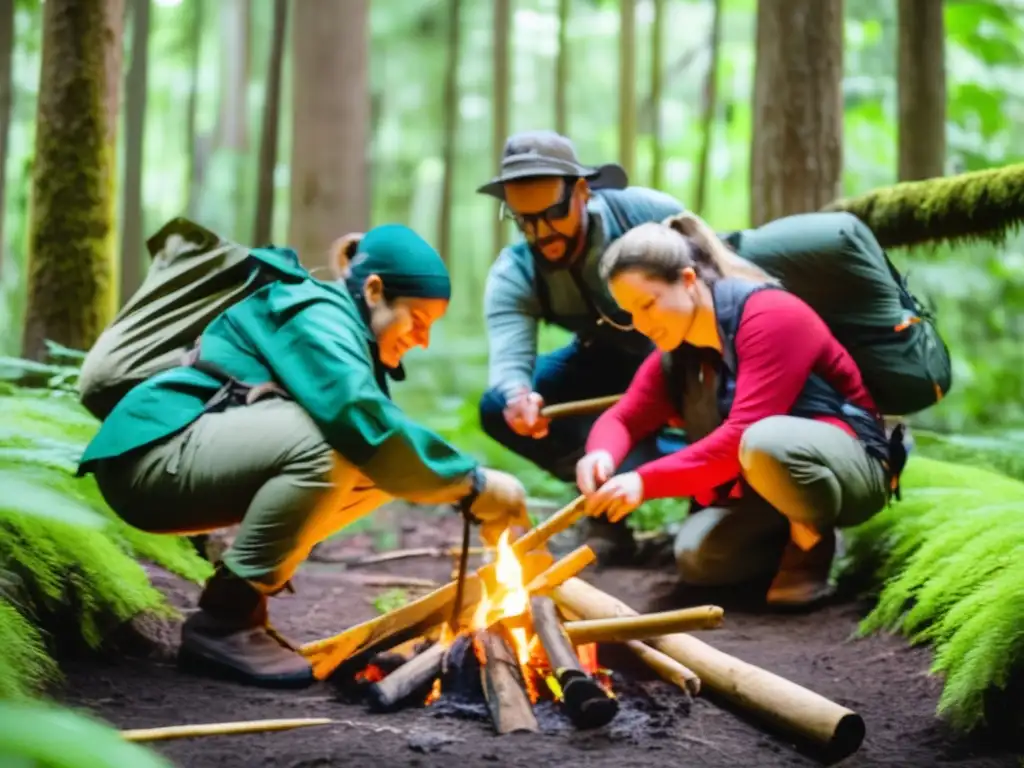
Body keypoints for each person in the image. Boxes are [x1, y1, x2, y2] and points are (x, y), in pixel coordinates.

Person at [77, 224, 530, 687]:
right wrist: (475, 483)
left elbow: (385, 441)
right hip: (148, 460)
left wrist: (459, 485)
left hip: (184, 457)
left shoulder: (341, 329)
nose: (423, 339)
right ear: (374, 291)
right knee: (343, 443)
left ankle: (243, 606)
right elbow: (357, 417)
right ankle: (224, 621)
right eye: (417, 320)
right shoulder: (312, 313)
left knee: (382, 468)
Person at [575, 212, 897, 607]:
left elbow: (741, 435)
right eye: (631, 313)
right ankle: (784, 540)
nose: (641, 324)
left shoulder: (770, 316)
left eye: (648, 304)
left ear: (689, 281)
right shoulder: (678, 352)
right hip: (764, 481)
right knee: (699, 558)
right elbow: (624, 416)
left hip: (855, 465)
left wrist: (642, 482)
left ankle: (812, 543)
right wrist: (601, 455)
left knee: (762, 440)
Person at [476, 129, 688, 563]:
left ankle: (706, 483)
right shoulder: (514, 272)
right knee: (495, 406)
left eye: (551, 212)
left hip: (684, 360)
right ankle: (607, 500)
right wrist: (517, 396)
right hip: (601, 360)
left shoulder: (651, 216)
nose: (540, 231)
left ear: (581, 191)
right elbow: (509, 362)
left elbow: (719, 298)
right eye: (523, 219)